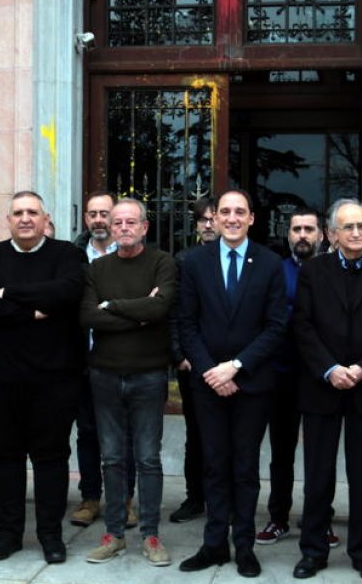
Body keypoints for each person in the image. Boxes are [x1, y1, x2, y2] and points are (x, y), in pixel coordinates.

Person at [290, 199, 362, 582]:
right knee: (318, 475)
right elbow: (303, 326)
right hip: (322, 386)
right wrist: (330, 369)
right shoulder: (313, 270)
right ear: (331, 234)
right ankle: (313, 550)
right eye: (348, 227)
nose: (356, 233)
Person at [0, 191, 86, 564]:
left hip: (55, 379)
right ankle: (9, 534)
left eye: (32, 212)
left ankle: (51, 535)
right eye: (17, 213)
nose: (25, 219)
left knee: (51, 459)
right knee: (6, 457)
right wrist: (31, 312)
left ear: (45, 218)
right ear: (7, 219)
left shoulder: (67, 254)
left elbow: (67, 293)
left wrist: (10, 294)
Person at [177, 189, 287, 578]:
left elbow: (276, 327)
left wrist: (235, 367)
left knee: (244, 467)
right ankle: (212, 545)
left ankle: (244, 547)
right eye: (225, 212)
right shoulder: (194, 262)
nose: (232, 218)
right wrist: (211, 371)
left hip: (252, 384)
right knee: (214, 465)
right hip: (207, 384)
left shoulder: (271, 264)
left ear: (252, 218)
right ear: (214, 219)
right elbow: (186, 323)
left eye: (240, 211)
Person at [80, 198, 179, 566]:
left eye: (130, 222)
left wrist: (114, 306)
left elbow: (160, 308)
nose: (122, 227)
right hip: (104, 374)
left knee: (148, 458)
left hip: (149, 375)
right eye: (116, 221)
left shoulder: (162, 263)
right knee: (111, 457)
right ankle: (114, 534)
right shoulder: (97, 268)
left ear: (144, 227)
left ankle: (150, 535)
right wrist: (138, 311)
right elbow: (88, 317)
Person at [256, 207, 336, 548]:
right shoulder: (277, 270)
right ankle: (278, 518)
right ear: (288, 234)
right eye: (296, 229)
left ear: (321, 234)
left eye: (308, 229)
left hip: (321, 376)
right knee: (282, 452)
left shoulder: (333, 272)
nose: (302, 235)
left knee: (321, 455)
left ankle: (321, 520)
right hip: (282, 373)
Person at [70, 191, 138, 529]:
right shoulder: (72, 256)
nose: (99, 220)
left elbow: (143, 307)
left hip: (122, 357)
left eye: (105, 214)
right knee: (88, 431)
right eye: (93, 214)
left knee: (124, 435)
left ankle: (124, 500)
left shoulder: (131, 256)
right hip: (84, 358)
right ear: (86, 219)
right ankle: (90, 497)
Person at [169, 194, 217, 525]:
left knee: (226, 437)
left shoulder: (243, 259)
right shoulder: (183, 260)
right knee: (195, 435)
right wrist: (179, 356)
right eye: (203, 219)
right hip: (193, 362)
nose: (210, 224)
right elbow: (173, 312)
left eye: (214, 217)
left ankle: (221, 496)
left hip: (229, 364)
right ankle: (194, 497)